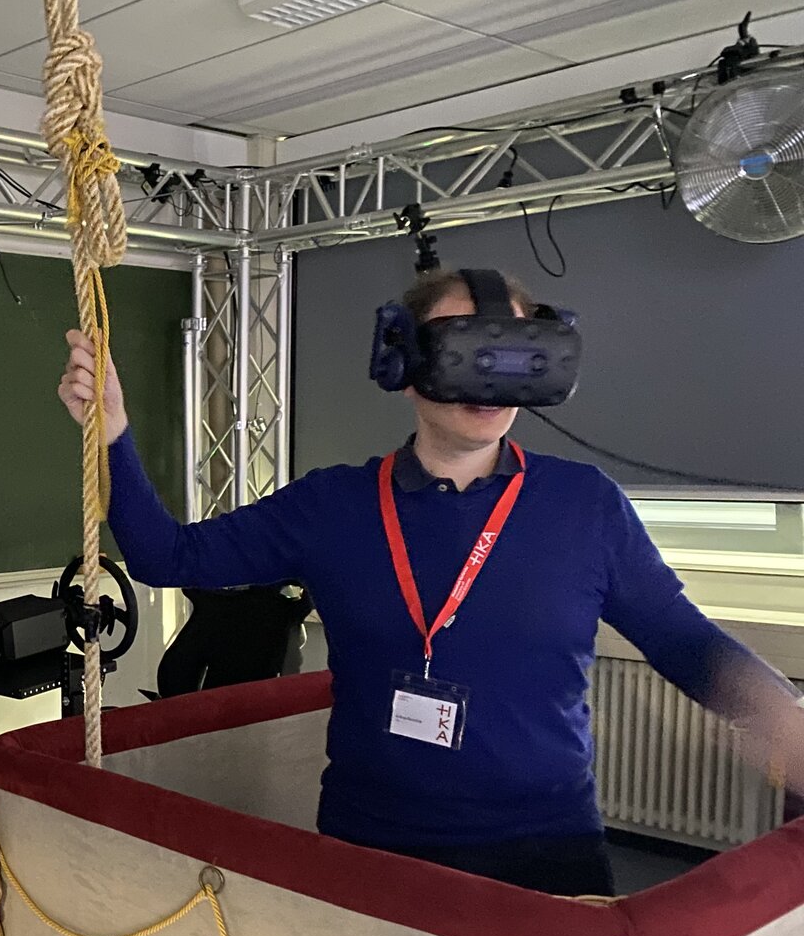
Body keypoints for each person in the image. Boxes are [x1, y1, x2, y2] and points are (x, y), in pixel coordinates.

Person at [58, 268, 804, 897]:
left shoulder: (586, 506)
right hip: (371, 847)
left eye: (510, 354)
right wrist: (114, 434)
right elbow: (166, 558)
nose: (488, 381)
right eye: (462, 352)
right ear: (404, 364)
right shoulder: (333, 506)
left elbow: (683, 640)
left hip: (547, 852)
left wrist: (788, 721)